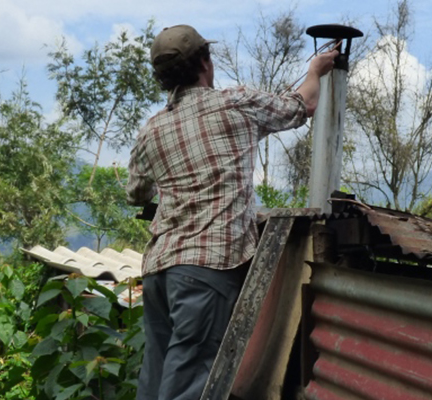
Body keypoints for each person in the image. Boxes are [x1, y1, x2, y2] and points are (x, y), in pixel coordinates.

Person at [126, 24, 337, 400]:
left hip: (158, 271)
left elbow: (136, 192)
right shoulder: (234, 103)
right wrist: (315, 72)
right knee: (189, 386)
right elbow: (300, 106)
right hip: (206, 271)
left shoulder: (151, 130)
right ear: (205, 62)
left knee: (156, 379)